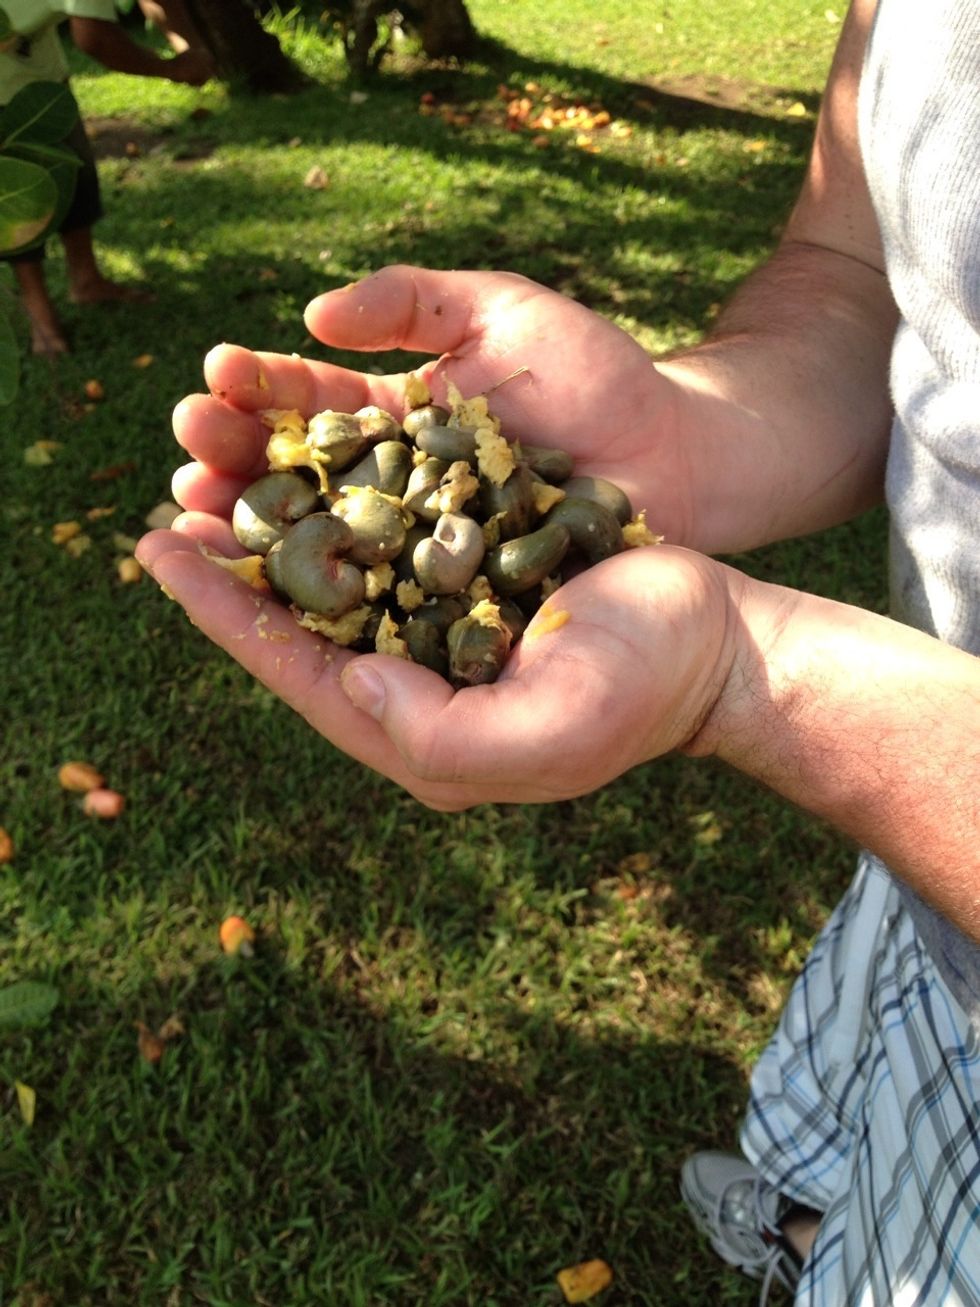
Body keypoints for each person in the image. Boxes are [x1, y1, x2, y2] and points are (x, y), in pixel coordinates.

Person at [136, 0, 979, 1301]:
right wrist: (688, 423)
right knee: (876, 1135)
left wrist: (750, 679)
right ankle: (829, 1224)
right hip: (924, 866)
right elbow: (876, 272)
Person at [0, 0, 213, 354]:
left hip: (37, 71)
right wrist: (172, 69)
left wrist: (188, 47)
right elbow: (95, 39)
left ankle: (87, 280)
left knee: (74, 171)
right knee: (16, 198)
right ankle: (41, 317)